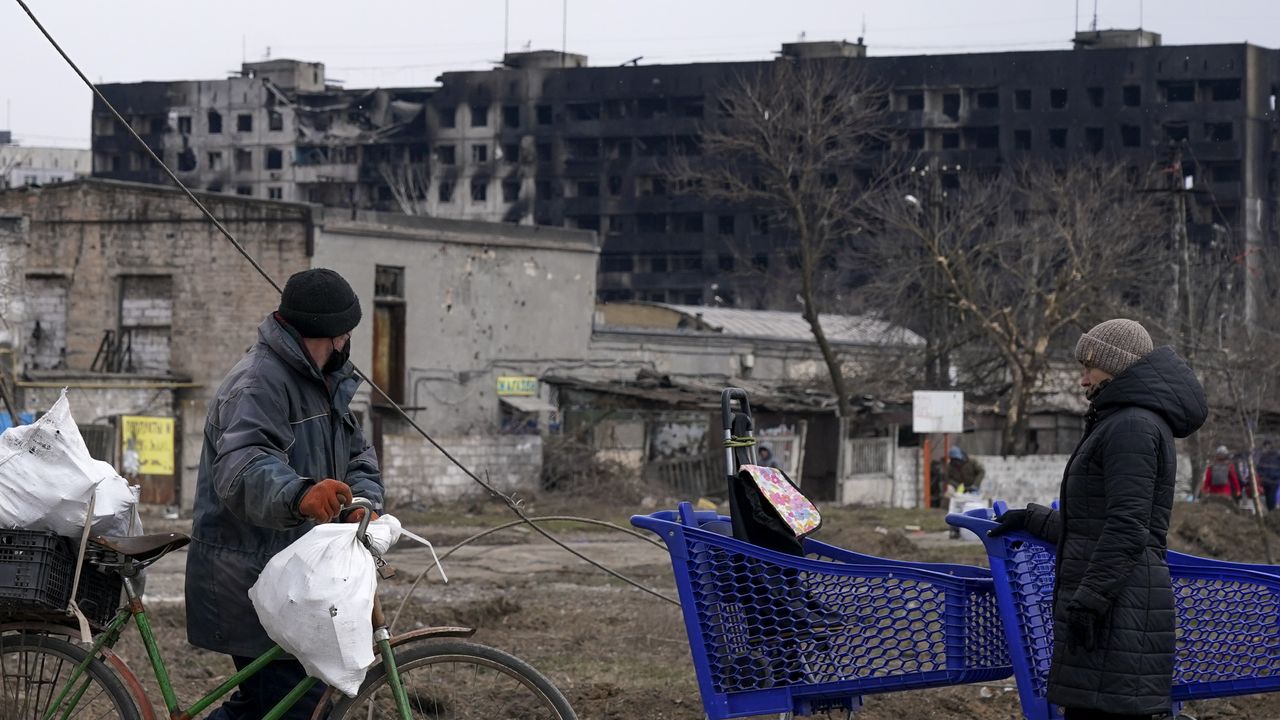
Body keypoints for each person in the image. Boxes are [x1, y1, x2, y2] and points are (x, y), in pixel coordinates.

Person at [185, 268, 384, 720]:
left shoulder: (323, 383)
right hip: (251, 577)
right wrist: (300, 495)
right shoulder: (259, 383)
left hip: (296, 577)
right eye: (338, 335)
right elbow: (242, 467)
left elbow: (359, 454)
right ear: (314, 334)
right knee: (299, 707)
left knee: (266, 706)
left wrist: (362, 502)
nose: (343, 344)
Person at [989, 318, 1207, 720]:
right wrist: (1032, 518)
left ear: (1117, 365)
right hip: (1117, 608)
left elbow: (1127, 527)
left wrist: (1088, 603)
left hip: (1118, 613)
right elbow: (1096, 524)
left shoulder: (1132, 426)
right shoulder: (1122, 420)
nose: (1082, 379)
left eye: (1089, 366)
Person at [1256, 440, 1280, 511]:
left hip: (1273, 481)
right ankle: (1271, 512)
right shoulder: (1263, 457)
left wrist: (1276, 475)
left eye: (1267, 446)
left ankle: (1272, 512)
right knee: (1267, 498)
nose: (1266, 448)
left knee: (1271, 498)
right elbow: (1259, 468)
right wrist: (1261, 476)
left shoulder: (1277, 456)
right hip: (1265, 481)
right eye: (1265, 446)